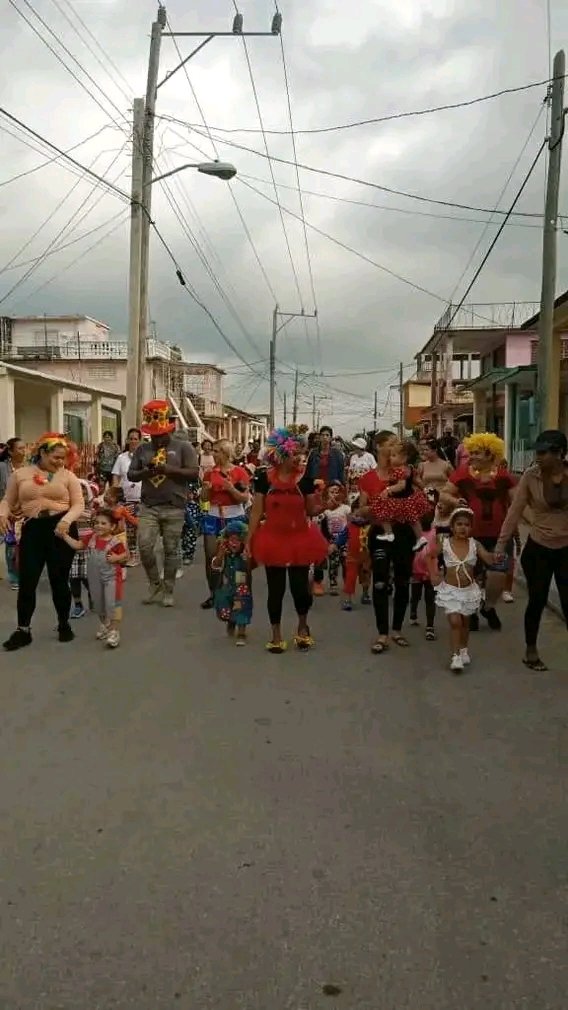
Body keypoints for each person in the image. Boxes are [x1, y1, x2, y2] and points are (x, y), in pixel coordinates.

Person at [0, 433, 84, 651]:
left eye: (63, 458)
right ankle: (23, 630)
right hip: (33, 529)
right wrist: (2, 514)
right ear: (43, 453)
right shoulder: (21, 475)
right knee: (27, 580)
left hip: (61, 529)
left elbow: (78, 504)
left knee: (59, 580)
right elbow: (8, 500)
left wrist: (66, 521)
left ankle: (64, 624)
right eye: (55, 457)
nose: (60, 462)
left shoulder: (68, 476)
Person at [247, 425, 327, 653]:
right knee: (276, 590)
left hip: (300, 539)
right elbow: (256, 512)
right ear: (281, 455)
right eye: (294, 454)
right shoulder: (264, 478)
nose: (298, 458)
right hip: (272, 539)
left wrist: (325, 504)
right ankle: (276, 634)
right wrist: (248, 541)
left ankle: (302, 627)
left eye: (299, 454)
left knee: (300, 589)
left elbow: (312, 511)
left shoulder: (305, 480)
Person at [496, 429, 568, 672]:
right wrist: (500, 545)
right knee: (537, 600)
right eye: (536, 452)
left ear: (559, 454)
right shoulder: (530, 476)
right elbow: (514, 512)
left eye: (544, 452)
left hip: (565, 548)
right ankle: (531, 650)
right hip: (538, 548)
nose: (538, 456)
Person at [440, 432, 516, 631]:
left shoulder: (502, 476)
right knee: (469, 575)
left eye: (476, 453)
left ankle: (488, 607)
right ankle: (471, 611)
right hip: (469, 534)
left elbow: (516, 502)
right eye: (470, 452)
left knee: (498, 575)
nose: (471, 456)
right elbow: (444, 494)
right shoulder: (463, 474)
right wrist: (456, 501)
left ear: (490, 455)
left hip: (500, 535)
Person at [128, 400, 198, 607]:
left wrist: (169, 470)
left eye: (160, 435)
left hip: (174, 505)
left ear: (169, 430)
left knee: (171, 549)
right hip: (148, 506)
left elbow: (194, 473)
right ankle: (154, 583)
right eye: (153, 436)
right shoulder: (143, 450)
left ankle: (168, 588)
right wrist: (146, 472)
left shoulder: (183, 447)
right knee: (145, 547)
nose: (157, 439)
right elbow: (131, 475)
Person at [359, 431, 416, 653]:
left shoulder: (404, 473)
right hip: (380, 533)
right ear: (379, 447)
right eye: (391, 443)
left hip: (404, 534)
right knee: (380, 582)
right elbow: (362, 510)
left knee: (402, 581)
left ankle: (397, 630)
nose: (396, 447)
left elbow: (416, 499)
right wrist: (376, 509)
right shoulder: (368, 478)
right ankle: (382, 633)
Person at [429, 507, 498, 672]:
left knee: (465, 623)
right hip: (451, 590)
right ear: (452, 527)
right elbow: (429, 555)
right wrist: (434, 573)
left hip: (468, 590)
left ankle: (464, 649)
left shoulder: (475, 544)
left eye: (466, 524)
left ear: (471, 527)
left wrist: (496, 556)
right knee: (455, 622)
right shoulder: (445, 544)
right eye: (459, 524)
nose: (462, 528)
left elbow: (488, 558)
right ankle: (455, 656)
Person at [62, 507, 129, 648]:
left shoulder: (115, 542)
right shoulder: (91, 538)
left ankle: (114, 631)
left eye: (104, 523)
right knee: (98, 604)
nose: (99, 526)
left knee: (112, 604)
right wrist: (65, 536)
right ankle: (105, 625)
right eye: (97, 522)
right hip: (94, 577)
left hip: (111, 578)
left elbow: (125, 556)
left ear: (113, 526)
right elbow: (78, 545)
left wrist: (117, 557)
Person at [200, 440, 251, 609]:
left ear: (225, 453)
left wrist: (230, 488)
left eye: (216, 451)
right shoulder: (209, 473)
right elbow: (204, 499)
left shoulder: (240, 472)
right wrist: (206, 490)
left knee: (236, 558)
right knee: (211, 556)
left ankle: (237, 593)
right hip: (213, 515)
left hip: (234, 516)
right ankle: (214, 593)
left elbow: (244, 498)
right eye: (213, 451)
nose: (213, 454)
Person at [370, 439, 430, 550]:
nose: (390, 458)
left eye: (393, 455)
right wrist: (425, 489)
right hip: (410, 498)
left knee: (381, 510)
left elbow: (401, 485)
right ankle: (420, 537)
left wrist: (388, 489)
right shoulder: (410, 468)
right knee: (413, 520)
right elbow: (417, 480)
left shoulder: (399, 471)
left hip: (400, 500)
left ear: (404, 458)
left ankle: (389, 533)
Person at [211, 519, 253, 646]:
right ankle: (230, 621)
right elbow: (215, 566)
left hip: (241, 586)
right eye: (231, 540)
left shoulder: (245, 554)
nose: (234, 544)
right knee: (224, 607)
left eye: (238, 541)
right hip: (226, 585)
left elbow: (251, 566)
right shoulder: (224, 553)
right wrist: (220, 554)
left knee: (241, 605)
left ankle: (241, 632)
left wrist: (247, 558)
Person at [111, 427, 142, 566]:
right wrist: (114, 494)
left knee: (143, 529)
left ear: (140, 440)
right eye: (131, 438)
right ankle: (132, 555)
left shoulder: (145, 457)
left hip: (143, 500)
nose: (133, 441)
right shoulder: (121, 458)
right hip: (126, 499)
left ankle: (144, 554)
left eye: (136, 438)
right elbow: (116, 478)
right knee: (129, 530)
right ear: (127, 440)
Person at [0, 437, 26, 589]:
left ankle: (17, 576)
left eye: (24, 448)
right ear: (10, 451)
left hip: (24, 513)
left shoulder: (29, 467)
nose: (24, 451)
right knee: (9, 544)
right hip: (5, 511)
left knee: (18, 545)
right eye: (20, 449)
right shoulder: (2, 468)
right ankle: (14, 576)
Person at [69, 477, 96, 618]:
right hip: (72, 551)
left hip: (88, 551)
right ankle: (78, 605)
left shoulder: (91, 513)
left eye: (84, 493)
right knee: (74, 578)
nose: (81, 496)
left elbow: (98, 530)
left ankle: (93, 597)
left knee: (88, 578)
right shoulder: (67, 513)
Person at [409, 516, 437, 640]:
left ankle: (430, 626)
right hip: (416, 570)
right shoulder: (414, 532)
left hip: (430, 570)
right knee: (416, 595)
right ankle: (413, 612)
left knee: (430, 598)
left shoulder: (435, 533)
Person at [321, 482, 351, 596]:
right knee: (333, 562)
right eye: (332, 492)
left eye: (337, 492)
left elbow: (351, 523)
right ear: (327, 494)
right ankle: (333, 583)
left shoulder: (346, 509)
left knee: (346, 561)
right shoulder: (326, 511)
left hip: (345, 539)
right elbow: (322, 526)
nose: (335, 495)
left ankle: (347, 583)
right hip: (332, 539)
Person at [341, 501, 372, 611]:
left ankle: (365, 593)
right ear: (353, 511)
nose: (359, 512)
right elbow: (342, 537)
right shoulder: (350, 526)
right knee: (350, 577)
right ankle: (348, 599)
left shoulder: (371, 525)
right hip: (352, 557)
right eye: (357, 509)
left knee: (366, 575)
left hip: (366, 556)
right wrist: (335, 545)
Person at [181, 483, 200, 565]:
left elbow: (200, 515)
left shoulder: (196, 506)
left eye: (190, 493)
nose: (188, 495)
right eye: (187, 493)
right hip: (183, 525)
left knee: (191, 541)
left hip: (192, 527)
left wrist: (198, 526)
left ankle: (188, 556)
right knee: (184, 541)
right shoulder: (182, 505)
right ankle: (183, 553)